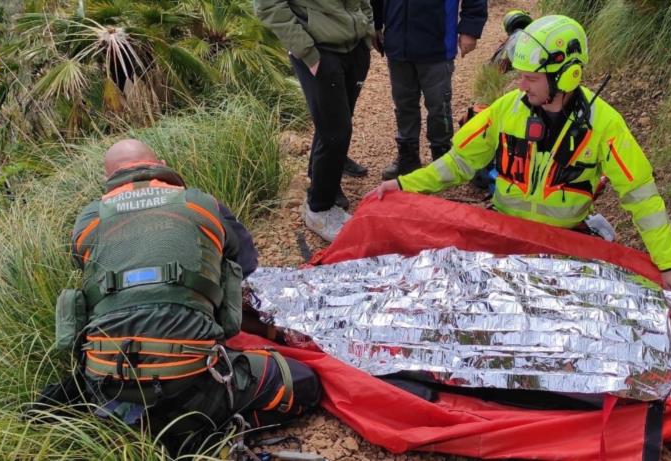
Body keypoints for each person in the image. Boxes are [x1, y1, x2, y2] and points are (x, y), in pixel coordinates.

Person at [365, 15, 671, 307]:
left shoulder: (605, 125)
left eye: (530, 77)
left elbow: (641, 197)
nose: (520, 84)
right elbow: (457, 164)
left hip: (565, 244)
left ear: (567, 76)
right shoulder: (505, 110)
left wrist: (670, 265)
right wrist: (405, 184)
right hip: (503, 235)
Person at [63, 139, 321, 454]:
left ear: (109, 177)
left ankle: (139, 432)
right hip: (194, 384)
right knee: (304, 383)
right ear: (157, 164)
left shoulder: (88, 219)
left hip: (108, 389)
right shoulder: (199, 203)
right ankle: (213, 430)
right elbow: (246, 266)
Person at [254, 0, 376, 241]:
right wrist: (307, 52)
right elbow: (268, 6)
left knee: (335, 124)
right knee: (336, 132)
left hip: (354, 46)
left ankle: (320, 181)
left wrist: (367, 30)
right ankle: (319, 207)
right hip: (319, 51)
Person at [371, 0, 488, 180]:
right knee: (404, 105)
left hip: (437, 46)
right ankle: (408, 157)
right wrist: (375, 24)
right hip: (397, 44)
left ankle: (441, 157)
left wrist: (470, 30)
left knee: (438, 106)